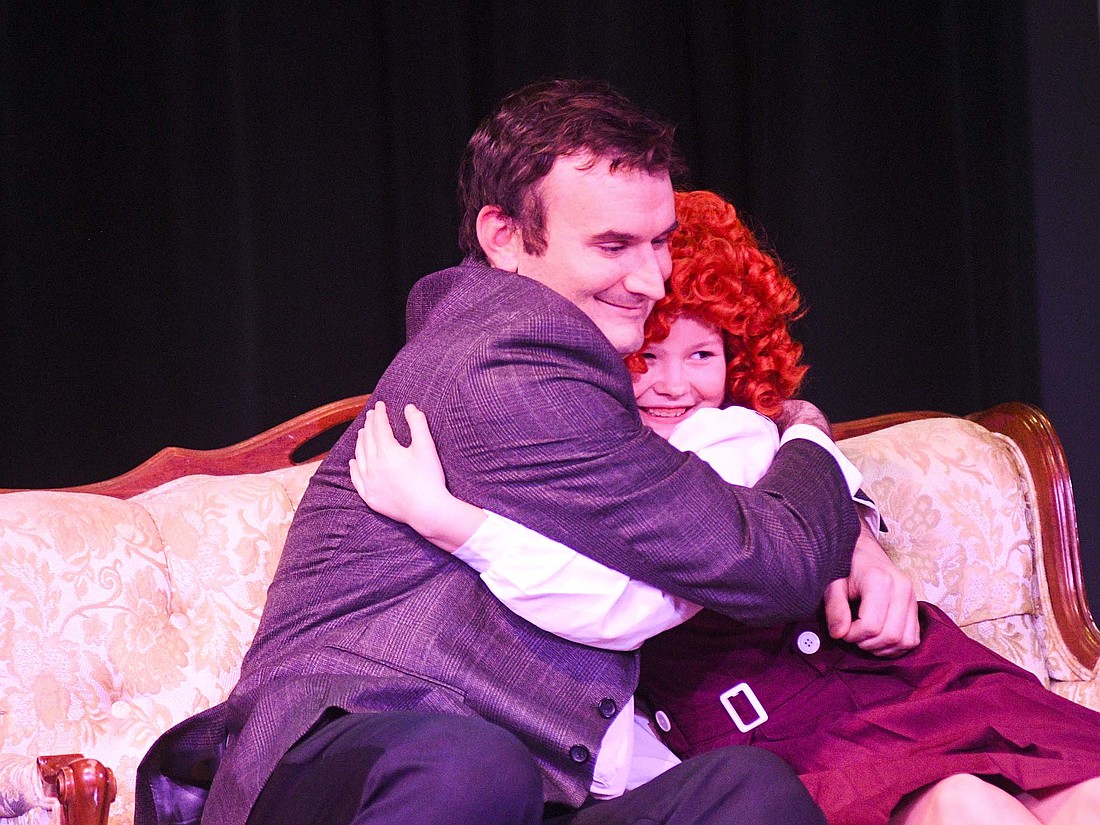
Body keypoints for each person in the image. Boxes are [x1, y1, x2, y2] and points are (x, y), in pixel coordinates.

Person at [134, 79, 898, 825]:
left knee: (744, 792)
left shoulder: (558, 361)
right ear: (505, 236)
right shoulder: (510, 358)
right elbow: (774, 561)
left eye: (660, 240)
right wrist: (807, 428)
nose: (650, 278)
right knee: (472, 764)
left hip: (524, 789)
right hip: (352, 756)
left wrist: (849, 523)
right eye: (612, 244)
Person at [350, 189, 1100, 825]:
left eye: (702, 355)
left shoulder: (738, 433)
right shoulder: (570, 445)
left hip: (903, 676)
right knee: (966, 805)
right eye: (645, 358)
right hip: (780, 731)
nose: (673, 384)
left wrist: (855, 526)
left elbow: (640, 595)